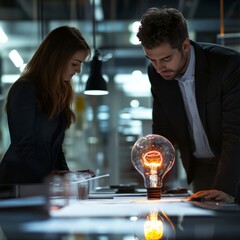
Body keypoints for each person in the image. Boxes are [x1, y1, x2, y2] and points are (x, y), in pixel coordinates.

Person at [136, 7, 240, 202]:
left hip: (235, 164)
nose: (159, 68)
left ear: (184, 46)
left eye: (166, 58)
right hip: (200, 168)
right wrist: (158, 181)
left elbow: (236, 132)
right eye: (152, 60)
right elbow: (162, 131)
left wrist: (226, 188)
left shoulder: (228, 66)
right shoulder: (156, 75)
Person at [0, 26, 91, 184]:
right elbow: (24, 147)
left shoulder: (58, 93)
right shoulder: (25, 89)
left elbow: (56, 149)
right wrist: (55, 176)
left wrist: (69, 176)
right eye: (75, 63)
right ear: (57, 59)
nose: (79, 70)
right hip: (18, 184)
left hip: (41, 185)